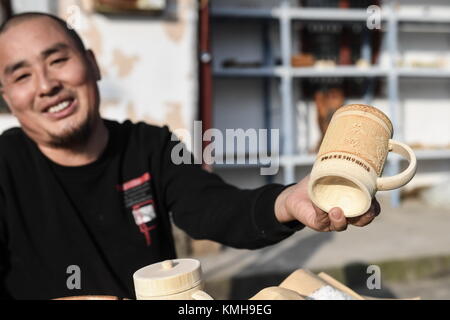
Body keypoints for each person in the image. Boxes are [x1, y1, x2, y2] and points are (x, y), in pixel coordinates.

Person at [0, 12, 380, 300]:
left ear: (92, 64)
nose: (47, 85)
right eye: (21, 76)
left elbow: (212, 207)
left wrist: (285, 201)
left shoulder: (150, 146)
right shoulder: (5, 166)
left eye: (57, 60)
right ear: (7, 98)